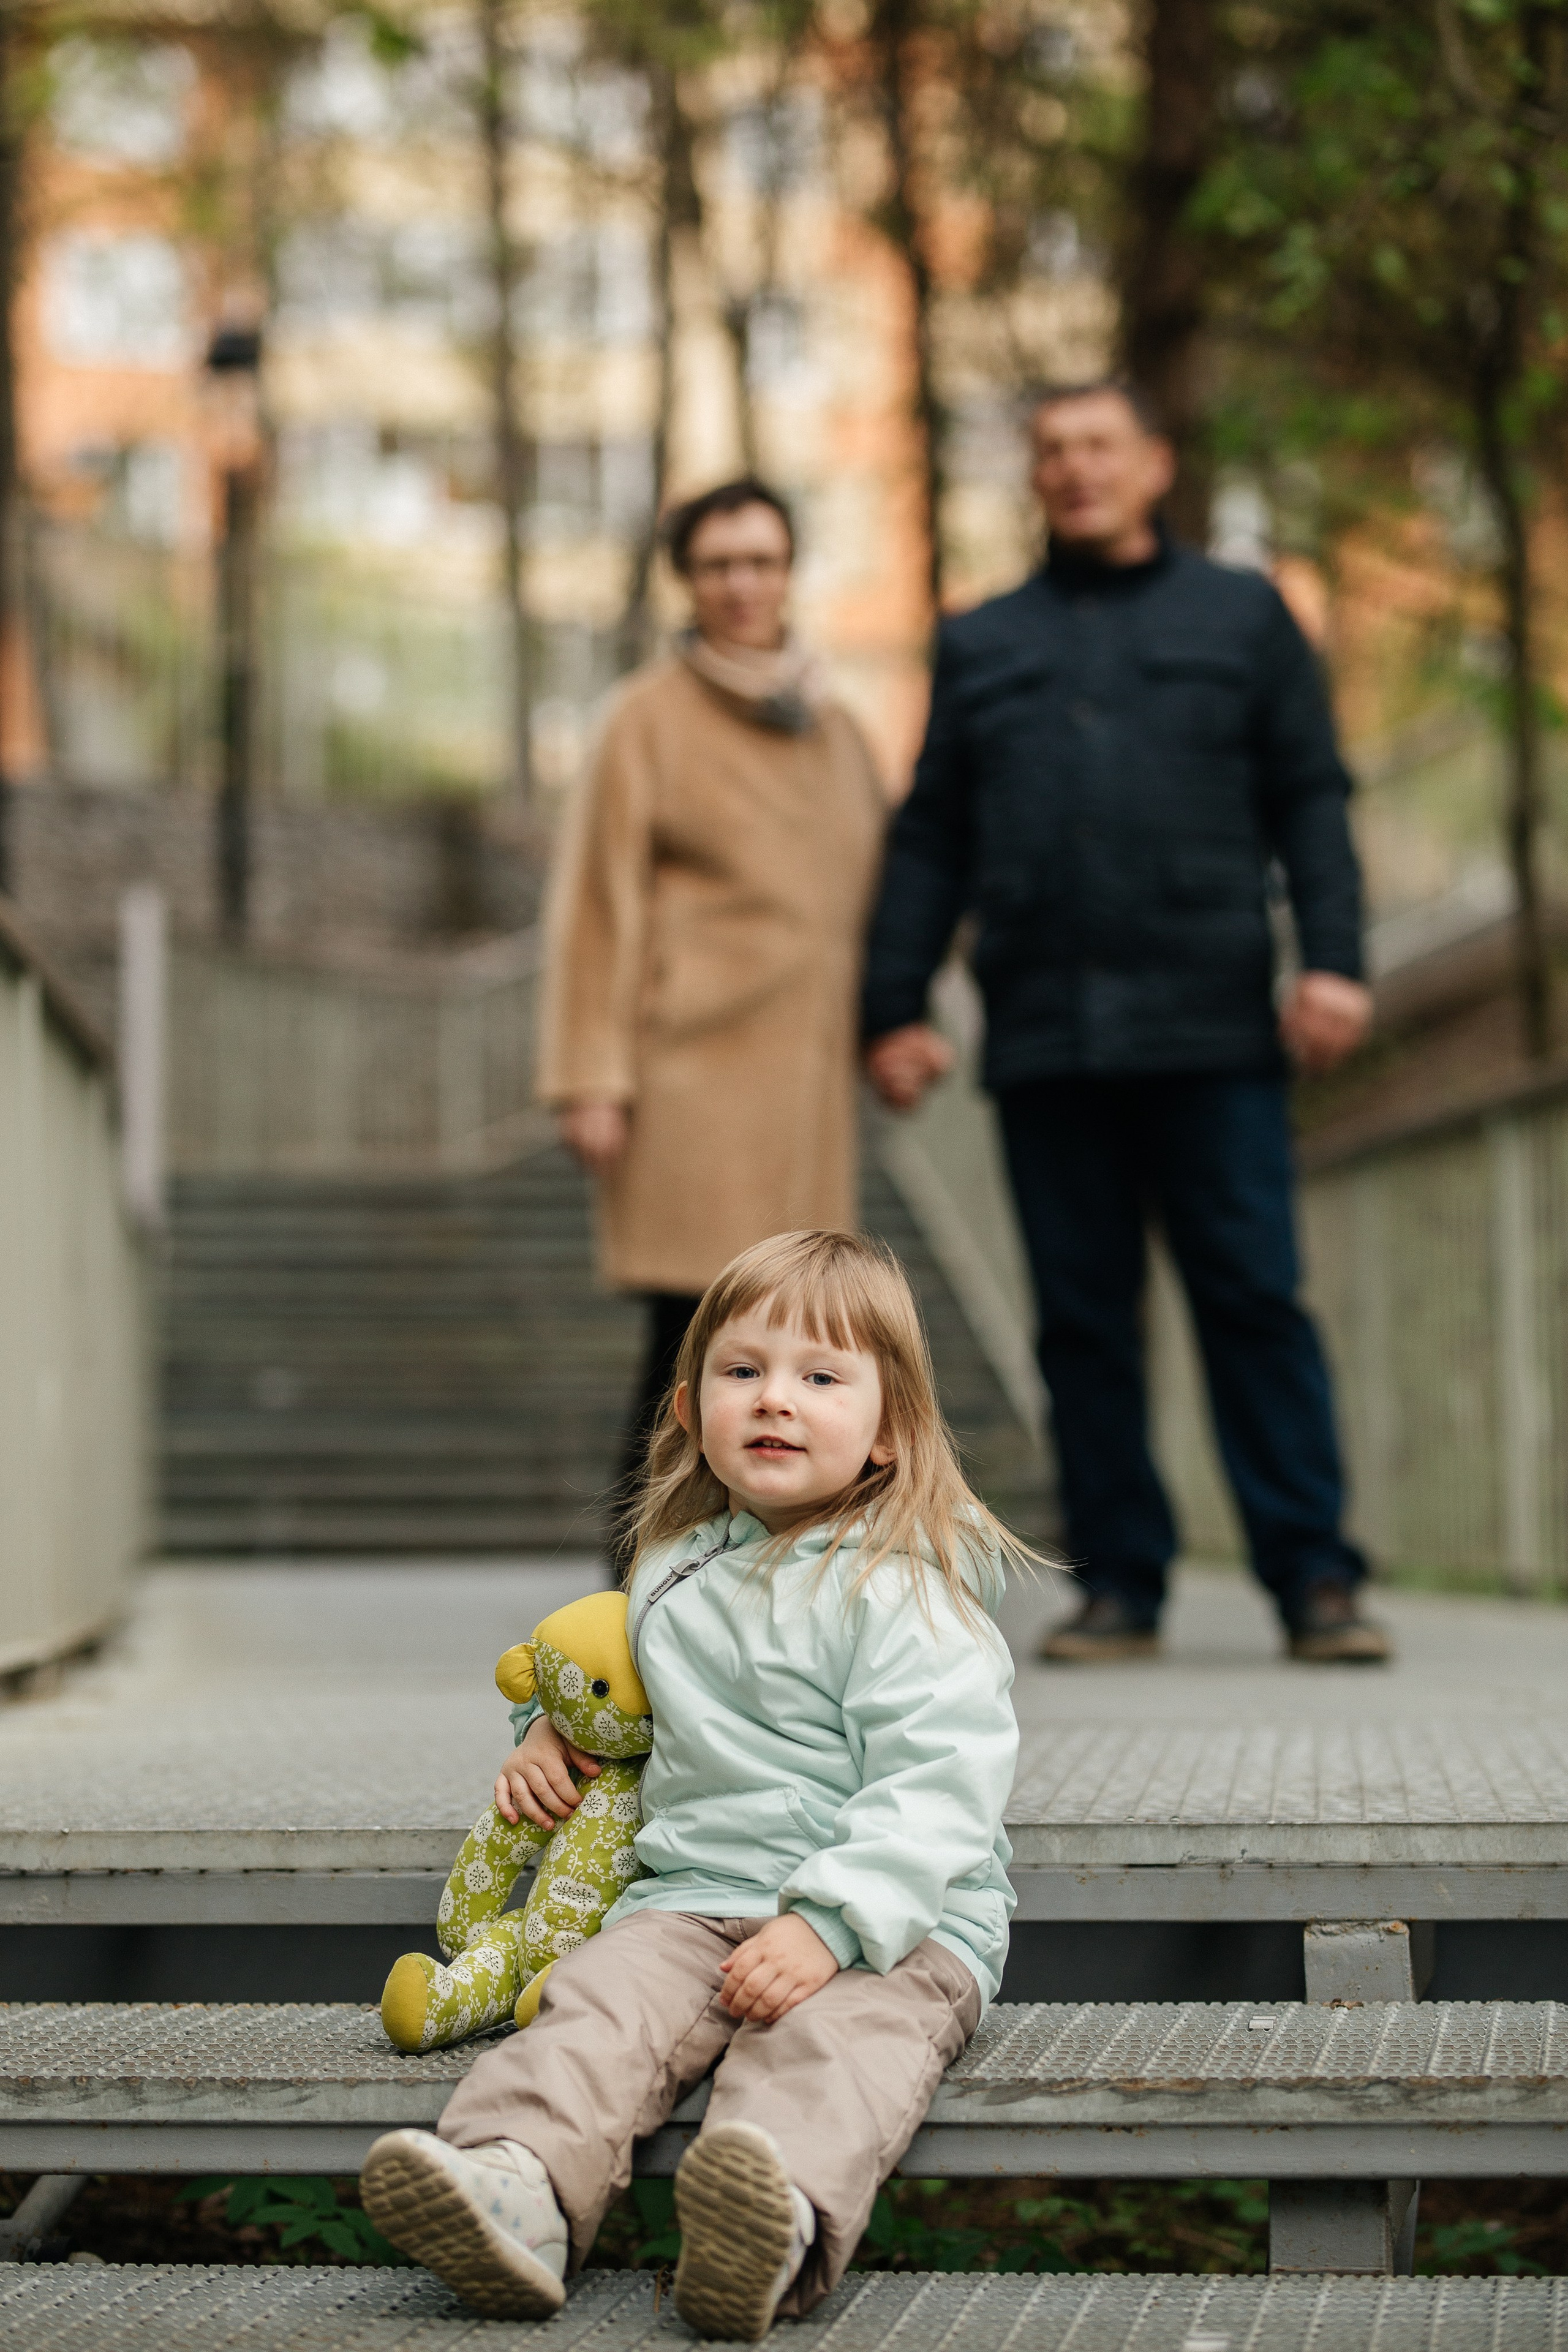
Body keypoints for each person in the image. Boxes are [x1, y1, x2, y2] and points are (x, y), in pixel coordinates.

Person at [360, 1229, 1022, 2337]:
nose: (776, 1400)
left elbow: (941, 1783)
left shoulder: (904, 1592)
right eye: (743, 1372)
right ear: (686, 1409)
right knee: (595, 2008)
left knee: (832, 2052)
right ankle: (511, 2186)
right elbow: (618, 1694)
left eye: (820, 1378)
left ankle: (770, 2226)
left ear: (889, 1434)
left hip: (893, 1924)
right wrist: (546, 1740)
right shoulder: (675, 1569)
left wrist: (831, 1926)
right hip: (690, 1898)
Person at [862, 381, 1387, 1666]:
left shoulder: (1241, 616)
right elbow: (931, 834)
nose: (1074, 468)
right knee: (1079, 1319)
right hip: (1046, 1034)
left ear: (1153, 464)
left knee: (1251, 1298)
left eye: (1099, 446)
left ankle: (1312, 1579)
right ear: (1033, 479)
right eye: (1050, 451)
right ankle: (1120, 1586)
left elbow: (1309, 799)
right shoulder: (982, 641)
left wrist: (1331, 962)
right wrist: (891, 1006)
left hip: (1212, 1030)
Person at [537, 480, 888, 1523]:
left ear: (790, 573)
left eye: (763, 562)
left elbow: (881, 896)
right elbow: (594, 906)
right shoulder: (644, 721)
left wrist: (900, 1025)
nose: (743, 585)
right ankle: (636, 1591)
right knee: (693, 1349)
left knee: (804, 1350)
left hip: (808, 1087)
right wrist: (588, 1078)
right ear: (689, 581)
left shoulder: (838, 732)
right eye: (720, 565)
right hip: (687, 1082)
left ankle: (778, 1595)